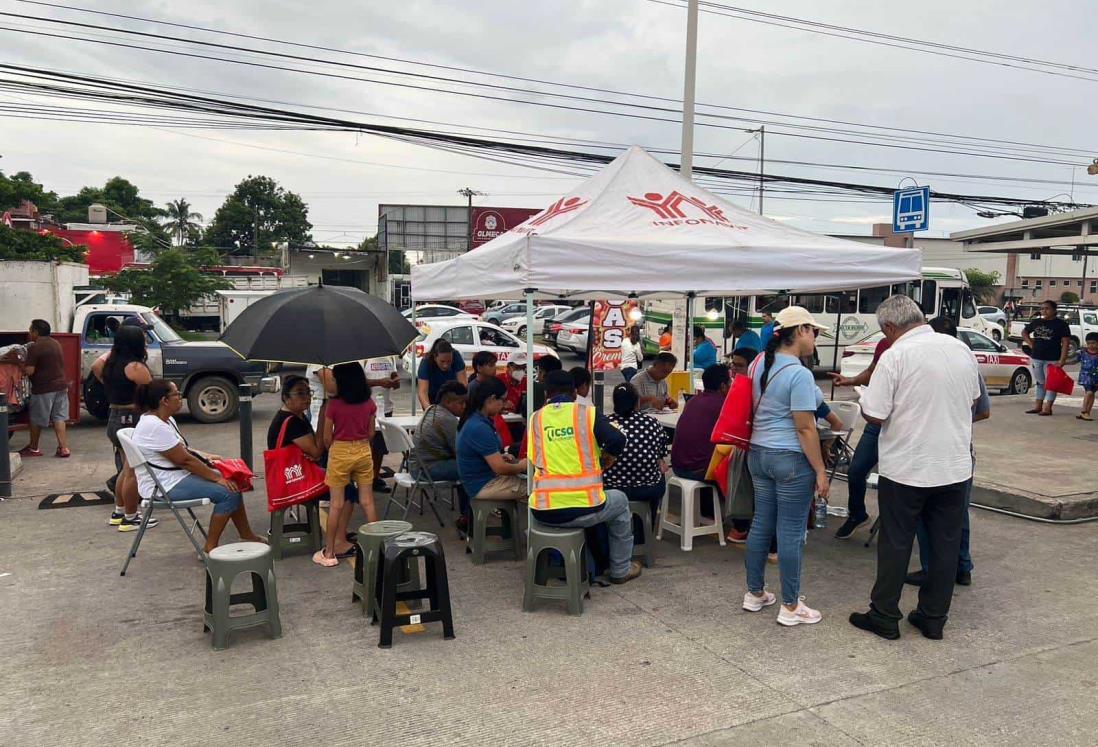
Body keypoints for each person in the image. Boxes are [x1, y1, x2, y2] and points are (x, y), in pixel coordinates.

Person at [848, 295, 981, 641]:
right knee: (944, 544)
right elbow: (973, 403)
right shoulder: (959, 349)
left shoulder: (896, 356)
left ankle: (884, 614)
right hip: (953, 466)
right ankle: (933, 616)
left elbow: (875, 413)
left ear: (890, 327)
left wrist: (864, 398)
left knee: (896, 542)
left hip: (907, 468)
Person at [742, 306, 830, 627]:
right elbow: (805, 427)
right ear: (801, 331)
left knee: (762, 523)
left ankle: (755, 593)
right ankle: (791, 607)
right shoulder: (799, 374)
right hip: (791, 459)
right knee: (790, 533)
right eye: (814, 332)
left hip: (758, 454)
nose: (816, 338)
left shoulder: (757, 364)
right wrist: (820, 469)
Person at [528, 370, 642, 584]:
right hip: (585, 506)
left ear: (546, 395)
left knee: (602, 502)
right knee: (620, 500)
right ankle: (620, 569)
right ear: (574, 393)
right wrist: (606, 459)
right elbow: (617, 439)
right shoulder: (587, 414)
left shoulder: (535, 419)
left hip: (542, 511)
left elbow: (536, 460)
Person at [130, 379, 263, 553]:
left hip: (174, 476)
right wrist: (217, 478)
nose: (180, 397)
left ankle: (246, 534)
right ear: (164, 400)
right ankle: (210, 547)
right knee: (228, 491)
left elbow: (181, 449)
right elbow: (184, 460)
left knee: (233, 481)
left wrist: (206, 456)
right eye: (176, 394)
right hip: (163, 486)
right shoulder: (154, 426)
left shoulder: (163, 420)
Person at [907, 315, 989, 588]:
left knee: (927, 512)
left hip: (942, 450)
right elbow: (982, 409)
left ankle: (939, 569)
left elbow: (982, 410)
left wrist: (949, 420)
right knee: (956, 513)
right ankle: (960, 567)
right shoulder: (964, 361)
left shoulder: (955, 363)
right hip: (958, 450)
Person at [670, 364, 748, 538]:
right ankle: (741, 527)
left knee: (711, 457)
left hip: (677, 466)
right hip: (697, 470)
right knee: (740, 468)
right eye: (730, 382)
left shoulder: (694, 401)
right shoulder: (723, 404)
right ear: (723, 386)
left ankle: (709, 514)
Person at [827, 334, 893, 539]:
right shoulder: (885, 344)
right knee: (856, 470)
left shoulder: (915, 348)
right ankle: (857, 514)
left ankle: (896, 525)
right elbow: (872, 372)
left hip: (902, 426)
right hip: (876, 423)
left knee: (895, 479)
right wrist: (851, 380)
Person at [91, 325, 154, 530]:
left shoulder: (110, 364)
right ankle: (130, 516)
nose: (145, 342)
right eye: (143, 339)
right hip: (132, 418)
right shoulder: (136, 368)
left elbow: (94, 366)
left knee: (124, 469)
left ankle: (119, 511)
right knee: (133, 471)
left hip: (114, 417)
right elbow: (150, 395)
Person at [315, 362, 377, 568]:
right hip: (363, 450)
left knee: (336, 504)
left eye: (334, 379)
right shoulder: (369, 403)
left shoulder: (334, 405)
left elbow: (325, 438)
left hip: (340, 451)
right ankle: (378, 548)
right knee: (367, 501)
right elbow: (371, 433)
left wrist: (337, 446)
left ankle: (330, 552)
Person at [604, 382, 668, 525]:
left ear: (615, 402)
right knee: (660, 470)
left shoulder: (604, 423)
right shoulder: (652, 423)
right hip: (647, 489)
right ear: (636, 402)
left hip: (610, 488)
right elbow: (661, 453)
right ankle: (646, 524)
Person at [457, 377, 528, 504]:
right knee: (536, 488)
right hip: (482, 485)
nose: (505, 404)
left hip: (481, 479)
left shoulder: (476, 419)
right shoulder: (479, 427)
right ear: (491, 399)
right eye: (503, 400)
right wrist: (521, 465)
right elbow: (500, 468)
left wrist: (501, 456)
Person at [414, 381, 469, 527]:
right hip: (427, 469)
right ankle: (468, 516)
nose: (464, 406)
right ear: (448, 402)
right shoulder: (447, 420)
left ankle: (467, 514)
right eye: (461, 403)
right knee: (471, 467)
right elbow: (461, 452)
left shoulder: (432, 409)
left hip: (418, 466)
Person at [19, 319, 71, 458]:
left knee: (36, 419)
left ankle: (34, 448)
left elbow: (29, 371)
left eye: (31, 330)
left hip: (44, 388)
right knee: (59, 417)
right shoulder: (55, 343)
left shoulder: (35, 347)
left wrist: (18, 365)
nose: (30, 333)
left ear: (35, 331)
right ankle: (63, 448)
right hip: (61, 386)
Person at [1021, 299, 1071, 416]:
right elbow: (1024, 332)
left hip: (1052, 357)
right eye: (1042, 308)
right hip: (1037, 356)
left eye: (1047, 308)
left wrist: (1062, 360)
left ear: (1054, 310)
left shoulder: (1061, 324)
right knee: (1040, 382)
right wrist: (1030, 343)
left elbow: (1065, 342)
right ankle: (1038, 406)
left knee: (1051, 383)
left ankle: (1047, 407)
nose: (1044, 311)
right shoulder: (1037, 322)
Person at [364, 355, 402, 493]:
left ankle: (374, 477)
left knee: (380, 446)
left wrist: (395, 381)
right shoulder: (364, 358)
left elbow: (394, 377)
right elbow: (358, 382)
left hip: (385, 408)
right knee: (366, 446)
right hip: (367, 409)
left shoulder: (390, 358)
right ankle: (363, 478)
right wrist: (379, 382)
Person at [417, 339, 468, 409]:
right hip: (432, 396)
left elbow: (463, 385)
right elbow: (422, 393)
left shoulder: (456, 356)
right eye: (442, 361)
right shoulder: (426, 363)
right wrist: (430, 411)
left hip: (451, 395)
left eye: (449, 361)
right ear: (435, 358)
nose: (445, 365)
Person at [1078, 332, 1098, 421]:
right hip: (1086, 377)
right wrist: (1063, 362)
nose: (1091, 345)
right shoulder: (1083, 353)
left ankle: (1087, 412)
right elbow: (1074, 360)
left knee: (1092, 393)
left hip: (1096, 378)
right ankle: (1083, 411)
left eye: (1093, 343)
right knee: (1089, 392)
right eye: (1089, 343)